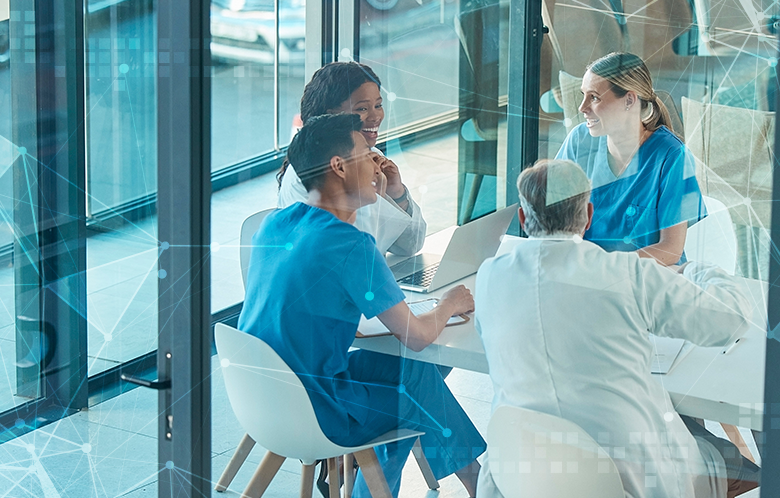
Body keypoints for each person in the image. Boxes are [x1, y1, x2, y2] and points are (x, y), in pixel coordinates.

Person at [474, 159, 760, 498]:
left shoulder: (490, 276)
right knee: (745, 467)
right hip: (629, 480)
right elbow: (728, 321)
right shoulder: (626, 274)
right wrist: (697, 269)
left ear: (523, 218)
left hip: (526, 475)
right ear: (588, 215)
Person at [239, 113, 485, 498]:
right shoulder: (350, 245)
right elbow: (418, 336)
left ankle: (477, 483)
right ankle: (480, 485)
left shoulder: (276, 223)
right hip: (317, 411)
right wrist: (450, 302)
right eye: (367, 154)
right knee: (416, 392)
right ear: (338, 166)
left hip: (262, 396)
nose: (377, 164)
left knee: (415, 375)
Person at [556, 52, 705, 266]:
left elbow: (670, 250)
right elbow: (554, 217)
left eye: (594, 97)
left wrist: (606, 268)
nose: (582, 108)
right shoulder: (579, 142)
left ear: (629, 100)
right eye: (583, 95)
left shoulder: (671, 156)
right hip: (588, 277)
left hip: (647, 280)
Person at [277, 61, 426, 256]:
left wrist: (397, 194)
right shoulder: (317, 172)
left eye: (378, 105)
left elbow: (411, 245)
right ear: (332, 116)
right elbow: (357, 255)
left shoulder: (370, 157)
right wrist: (377, 194)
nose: (375, 116)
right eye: (362, 109)